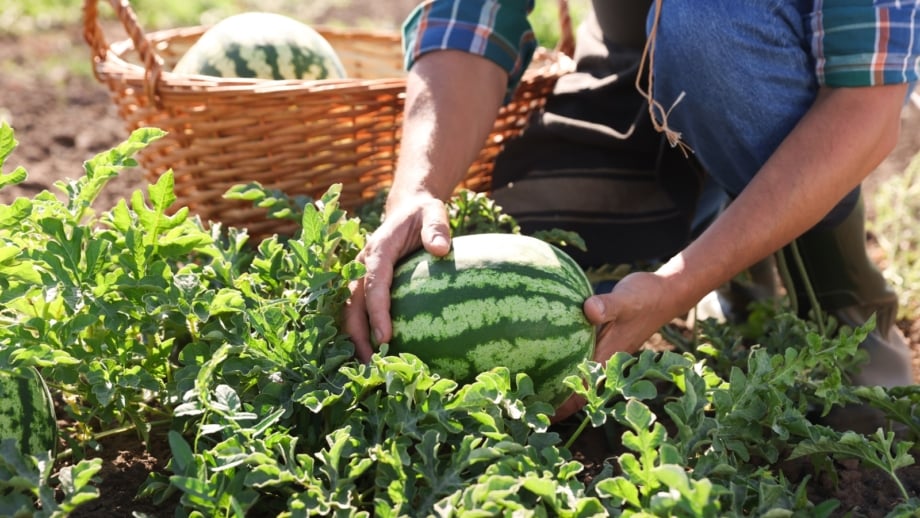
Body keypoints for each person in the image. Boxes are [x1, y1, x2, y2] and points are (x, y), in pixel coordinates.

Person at [344, 0, 919, 425]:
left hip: (745, 48)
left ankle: (844, 308)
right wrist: (417, 191)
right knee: (558, 238)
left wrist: (680, 285)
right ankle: (737, 250)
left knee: (709, 23)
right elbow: (469, 15)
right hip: (636, 62)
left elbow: (864, 106)